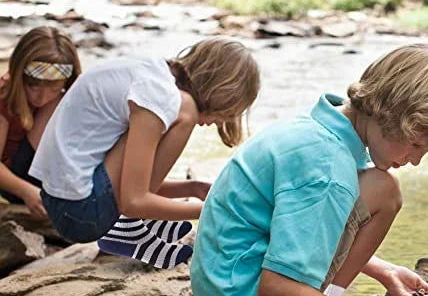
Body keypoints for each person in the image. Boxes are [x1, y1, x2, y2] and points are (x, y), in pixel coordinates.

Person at [190, 43, 428, 296]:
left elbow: (302, 227)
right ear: (389, 115)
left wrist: (383, 270)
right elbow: (276, 288)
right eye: (415, 144)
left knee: (382, 188)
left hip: (225, 289)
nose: (415, 160)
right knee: (385, 191)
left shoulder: (319, 129)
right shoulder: (328, 167)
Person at [30, 36, 260, 269]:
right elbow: (134, 200)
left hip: (64, 201)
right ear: (219, 92)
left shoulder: (154, 73)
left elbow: (132, 182)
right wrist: (214, 210)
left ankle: (138, 226)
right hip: (81, 213)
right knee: (186, 111)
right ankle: (127, 231)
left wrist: (191, 188)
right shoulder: (164, 97)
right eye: (222, 115)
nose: (213, 123)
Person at [0, 26, 81, 217]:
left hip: (43, 169)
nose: (42, 98)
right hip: (14, 182)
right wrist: (25, 191)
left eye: (53, 89)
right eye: (34, 87)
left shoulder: (60, 96)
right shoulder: (4, 97)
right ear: (20, 77)